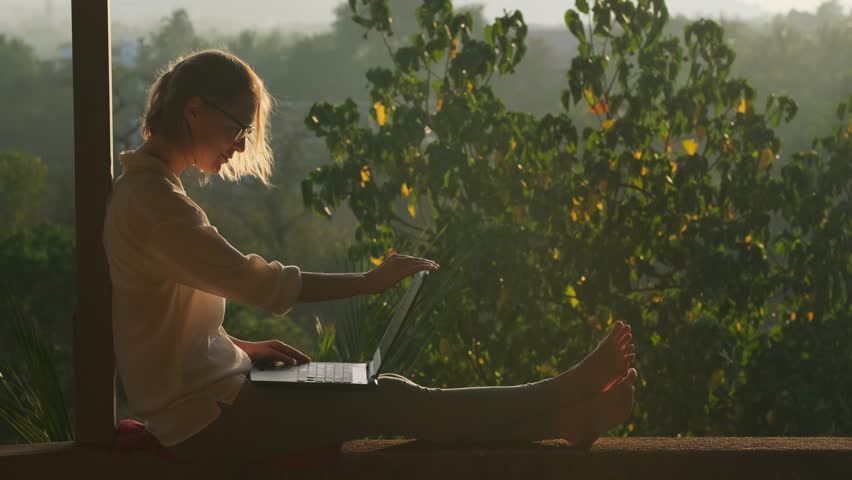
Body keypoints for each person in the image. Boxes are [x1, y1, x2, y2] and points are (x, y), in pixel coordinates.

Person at [102, 49, 638, 466]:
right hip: (205, 422)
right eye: (236, 127)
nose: (239, 145)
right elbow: (257, 284)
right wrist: (369, 282)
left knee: (387, 392)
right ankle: (562, 398)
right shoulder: (154, 206)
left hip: (220, 394)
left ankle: (566, 415)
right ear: (194, 111)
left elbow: (163, 319)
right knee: (388, 400)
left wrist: (239, 348)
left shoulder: (154, 196)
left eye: (245, 131)